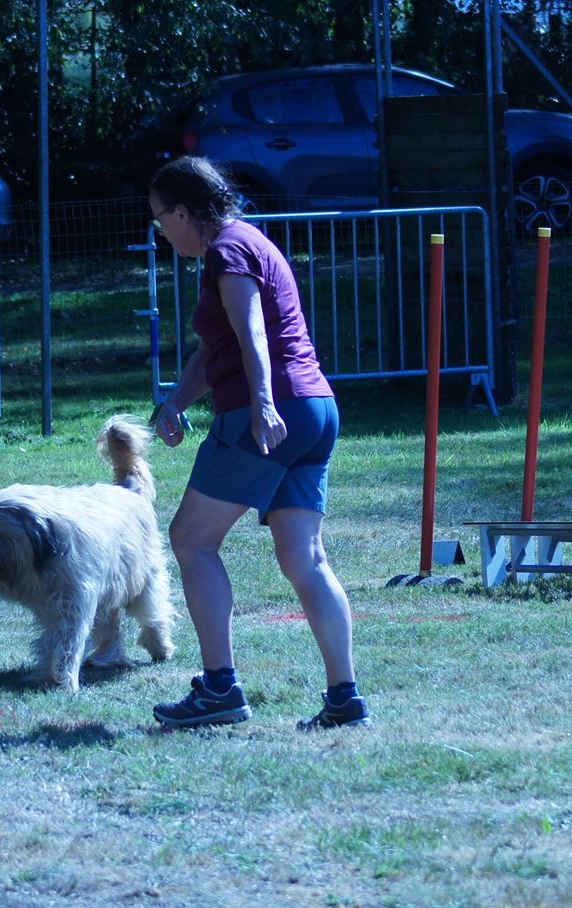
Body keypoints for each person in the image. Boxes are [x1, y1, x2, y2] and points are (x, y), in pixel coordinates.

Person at [145, 155, 368, 731]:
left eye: (160, 219)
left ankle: (219, 687)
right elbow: (214, 349)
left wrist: (264, 402)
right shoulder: (251, 240)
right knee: (305, 558)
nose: (162, 232)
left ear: (185, 211)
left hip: (268, 410)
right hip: (316, 409)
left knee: (190, 540)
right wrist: (176, 400)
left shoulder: (227, 251)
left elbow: (251, 332)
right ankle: (345, 697)